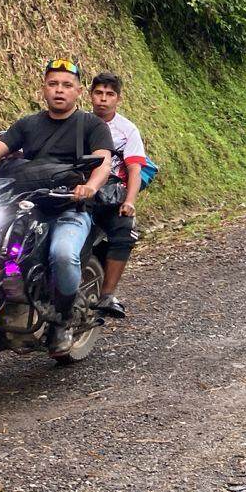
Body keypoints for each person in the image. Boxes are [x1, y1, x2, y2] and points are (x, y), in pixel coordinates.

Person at [0, 58, 114, 357]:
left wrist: (90, 185)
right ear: (43, 89)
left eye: (67, 85)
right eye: (53, 84)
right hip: (25, 206)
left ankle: (62, 321)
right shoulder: (28, 124)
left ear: (78, 91)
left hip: (70, 207)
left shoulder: (91, 125)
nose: (59, 90)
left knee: (63, 255)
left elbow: (103, 161)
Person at [88, 72, 147, 318]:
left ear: (118, 99)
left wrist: (130, 201)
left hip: (109, 196)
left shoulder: (127, 130)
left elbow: (134, 169)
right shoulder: (78, 122)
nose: (103, 99)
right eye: (99, 93)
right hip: (74, 190)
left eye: (109, 94)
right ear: (90, 95)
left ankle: (107, 294)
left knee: (125, 228)